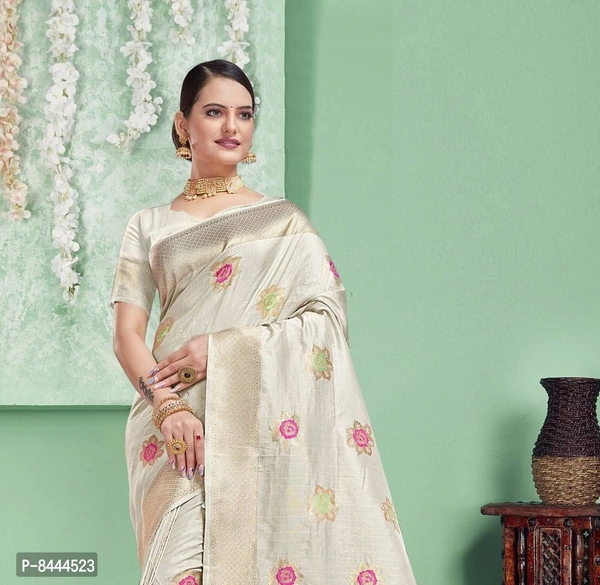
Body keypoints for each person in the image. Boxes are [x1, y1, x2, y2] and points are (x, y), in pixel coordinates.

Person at [111, 59, 416, 585]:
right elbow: (126, 336)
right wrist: (168, 407)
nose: (232, 126)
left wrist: (223, 349)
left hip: (257, 424)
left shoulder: (284, 222)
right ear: (183, 124)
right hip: (175, 429)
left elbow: (326, 321)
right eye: (214, 112)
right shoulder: (148, 225)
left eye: (245, 114)